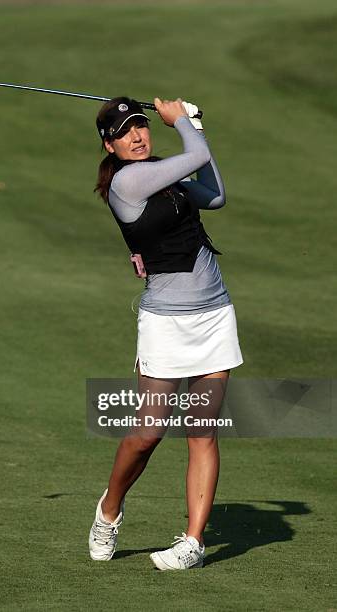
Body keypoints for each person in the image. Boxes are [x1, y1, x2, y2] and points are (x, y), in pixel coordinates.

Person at [88, 96, 243, 570]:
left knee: (202, 431)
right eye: (125, 132)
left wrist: (193, 127)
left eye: (141, 126)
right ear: (109, 145)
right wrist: (183, 122)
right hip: (166, 322)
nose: (137, 136)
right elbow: (194, 157)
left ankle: (193, 543)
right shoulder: (127, 182)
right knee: (148, 432)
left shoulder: (163, 173)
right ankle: (109, 510)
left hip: (214, 313)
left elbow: (213, 194)